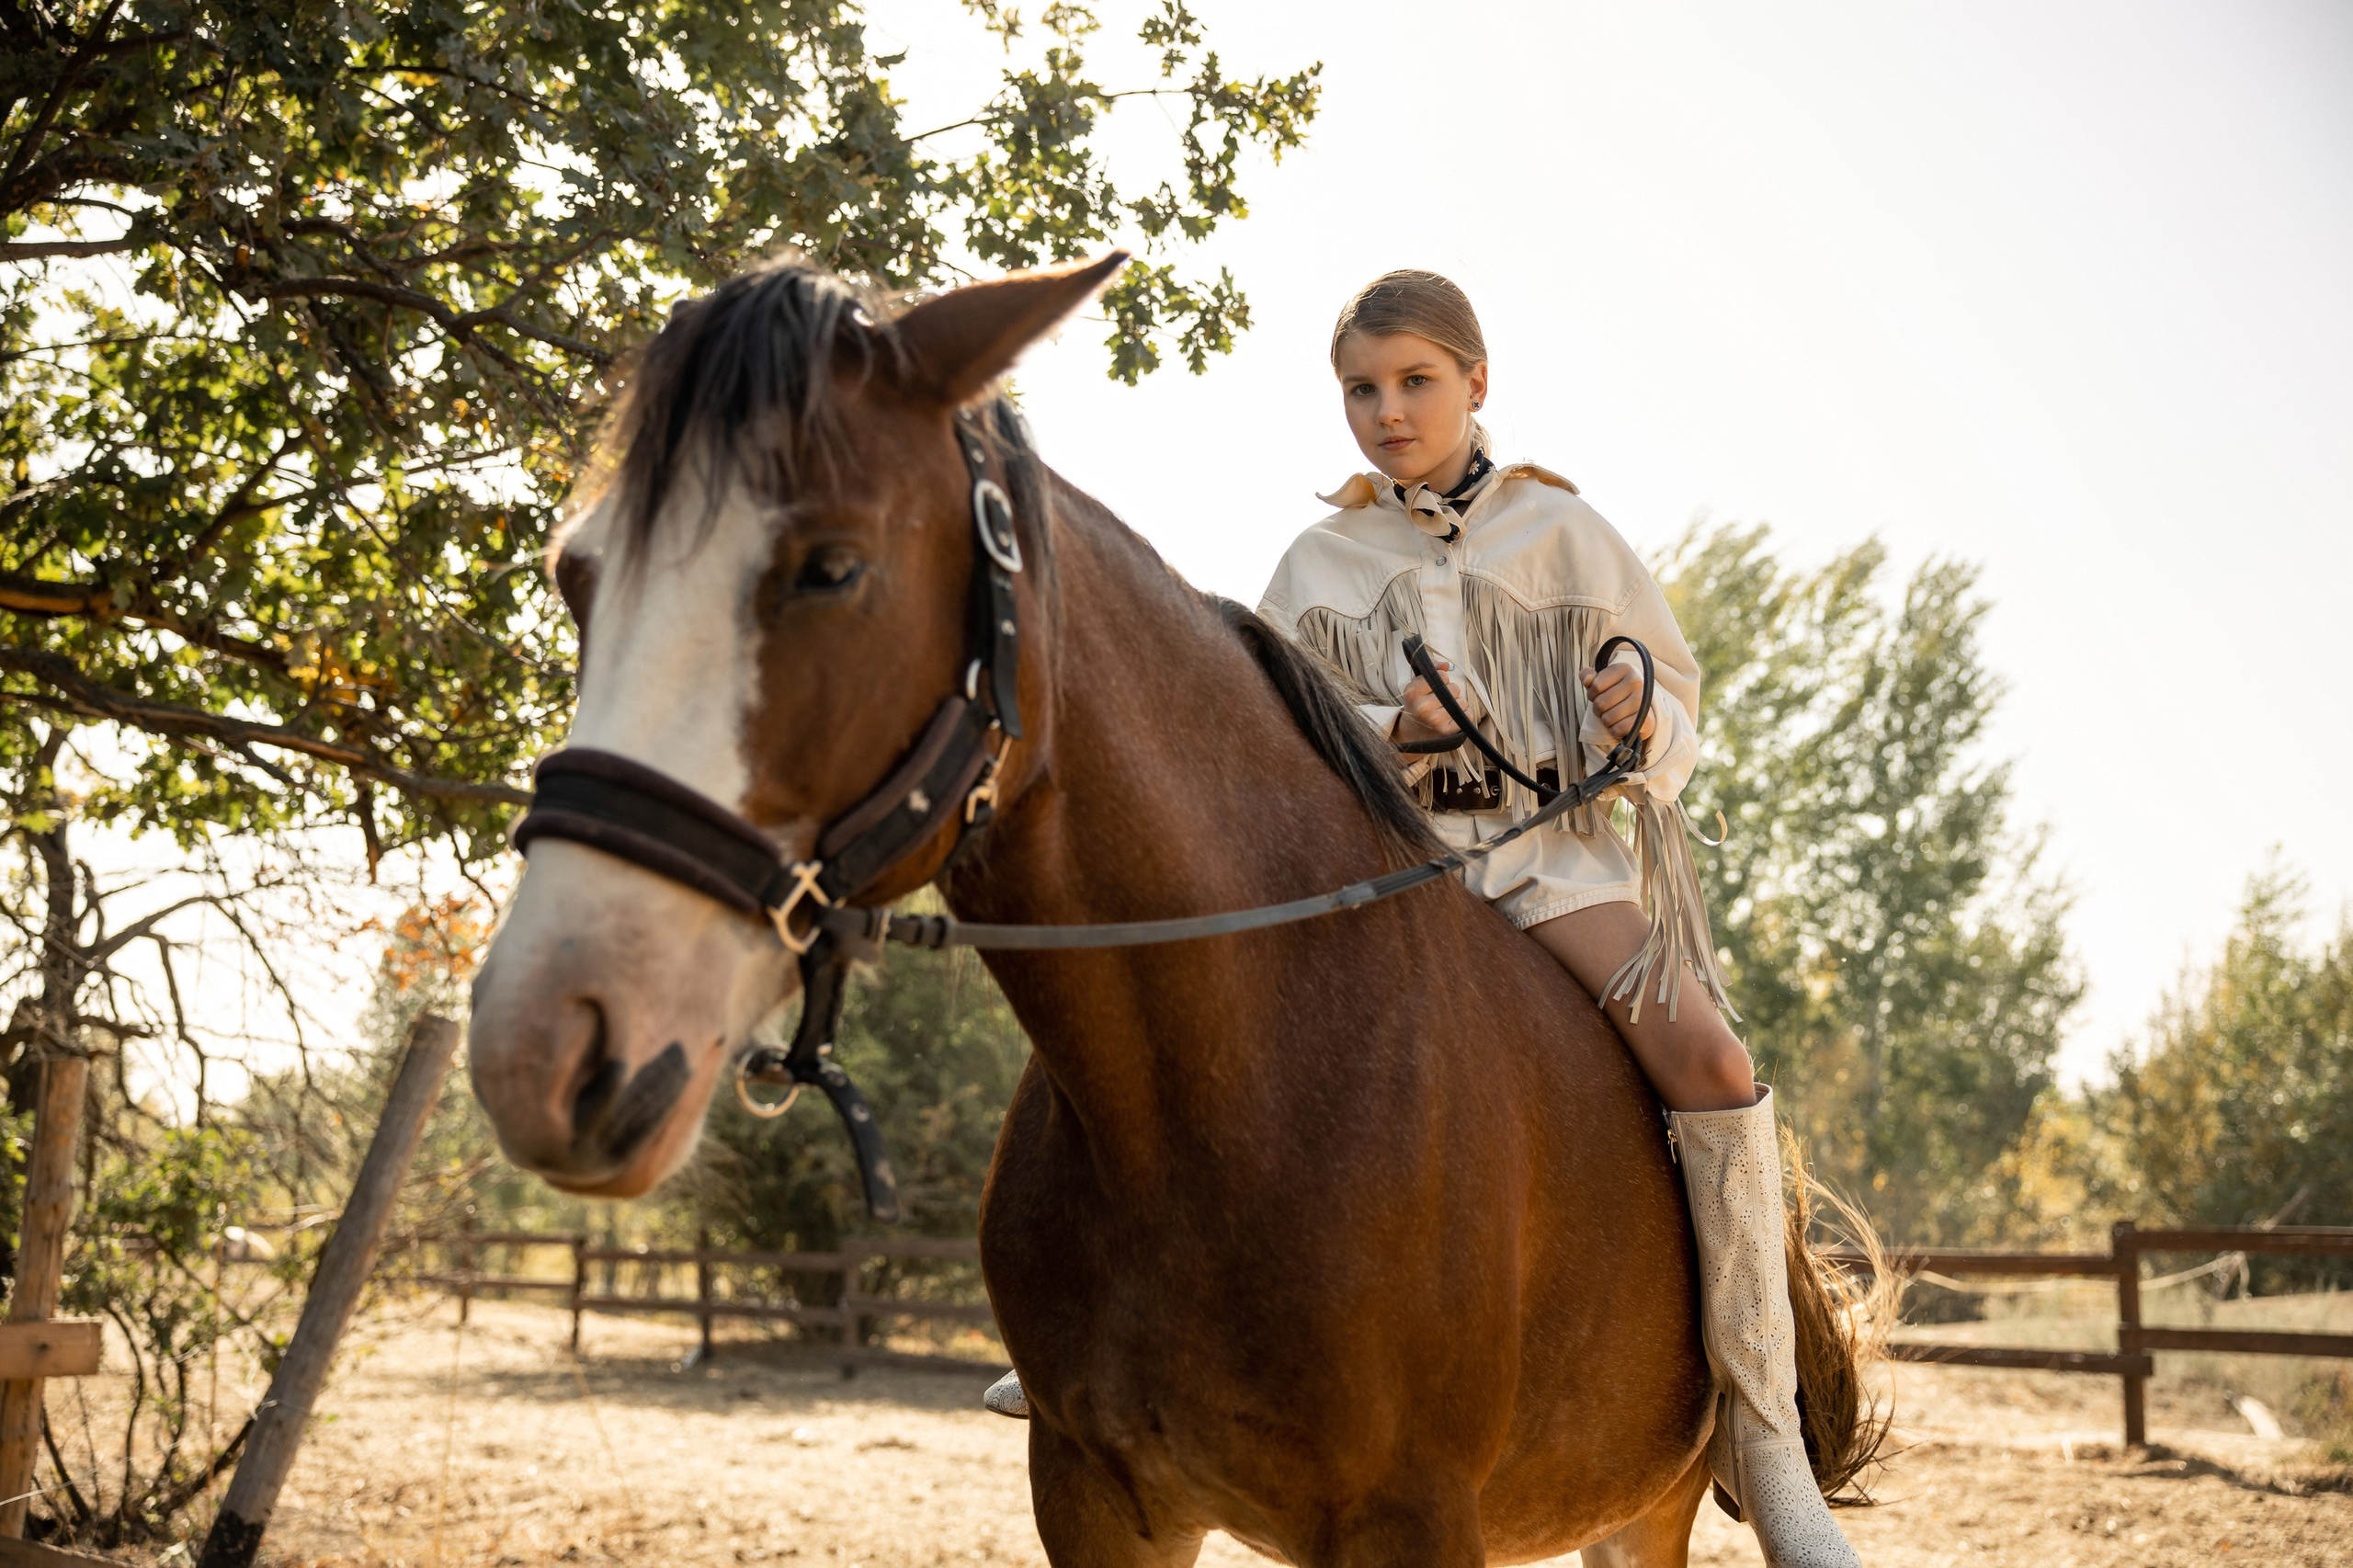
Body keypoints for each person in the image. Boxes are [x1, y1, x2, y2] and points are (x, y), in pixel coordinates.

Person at [983, 269, 1858, 1568]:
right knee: (1144, 1026)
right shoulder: (1317, 564)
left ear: (1476, 382)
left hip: (1551, 874)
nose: (1387, 413)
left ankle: (1761, 1425)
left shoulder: (1569, 536)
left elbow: (1672, 708)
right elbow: (1255, 761)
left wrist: (1632, 708)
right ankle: (1086, 1337)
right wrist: (1392, 737)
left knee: (1715, 1064)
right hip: (1373, 891)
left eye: (1414, 383)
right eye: (1361, 389)